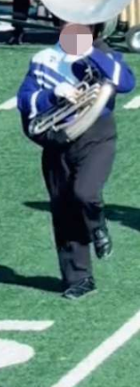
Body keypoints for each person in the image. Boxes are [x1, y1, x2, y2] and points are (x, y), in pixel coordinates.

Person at [16, 22, 134, 299]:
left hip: (97, 136)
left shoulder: (105, 55)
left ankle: (97, 225)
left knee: (85, 191)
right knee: (63, 208)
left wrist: (91, 52)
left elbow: (126, 83)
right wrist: (52, 95)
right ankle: (78, 278)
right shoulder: (45, 59)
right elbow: (25, 98)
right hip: (57, 142)